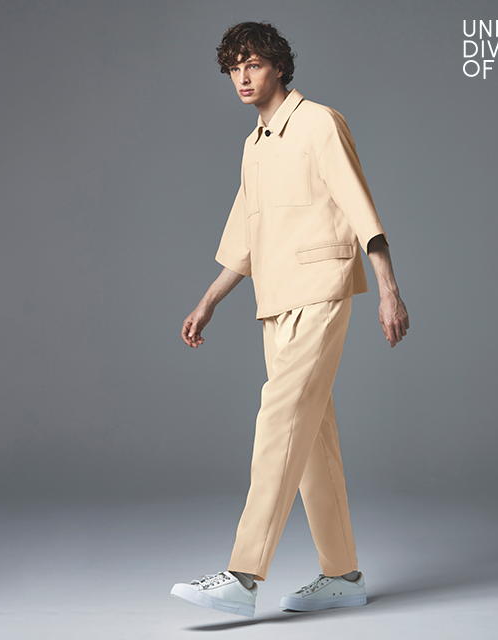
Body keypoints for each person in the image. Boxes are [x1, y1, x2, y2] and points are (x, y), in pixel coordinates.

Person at [170, 21, 409, 618]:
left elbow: (361, 207)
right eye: (234, 68)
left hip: (321, 290)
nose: (243, 77)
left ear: (278, 65)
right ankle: (343, 575)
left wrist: (388, 290)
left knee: (279, 421)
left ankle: (242, 575)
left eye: (252, 64)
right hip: (274, 303)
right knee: (312, 439)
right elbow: (244, 237)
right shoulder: (254, 145)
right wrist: (208, 300)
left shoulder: (319, 123)